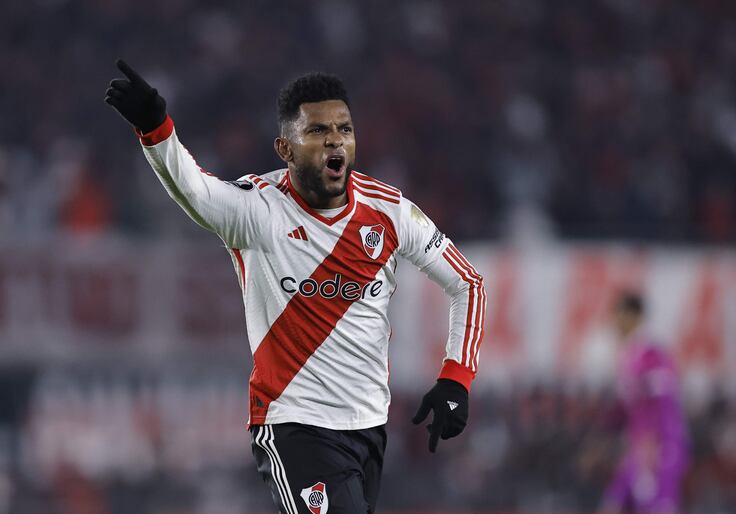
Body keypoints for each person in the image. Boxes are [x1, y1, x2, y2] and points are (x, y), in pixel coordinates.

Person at [104, 60, 486, 514]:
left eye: (344, 128)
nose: (334, 140)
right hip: (293, 425)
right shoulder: (258, 211)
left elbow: (467, 282)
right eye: (318, 130)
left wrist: (456, 379)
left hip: (368, 426)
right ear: (285, 148)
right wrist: (157, 129)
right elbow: (195, 191)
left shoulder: (390, 213)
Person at [600, 292, 688, 514]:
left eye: (617, 315)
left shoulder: (651, 354)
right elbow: (628, 407)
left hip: (660, 448)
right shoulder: (628, 354)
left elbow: (664, 402)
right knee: (613, 502)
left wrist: (652, 443)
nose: (613, 322)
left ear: (634, 316)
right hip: (639, 448)